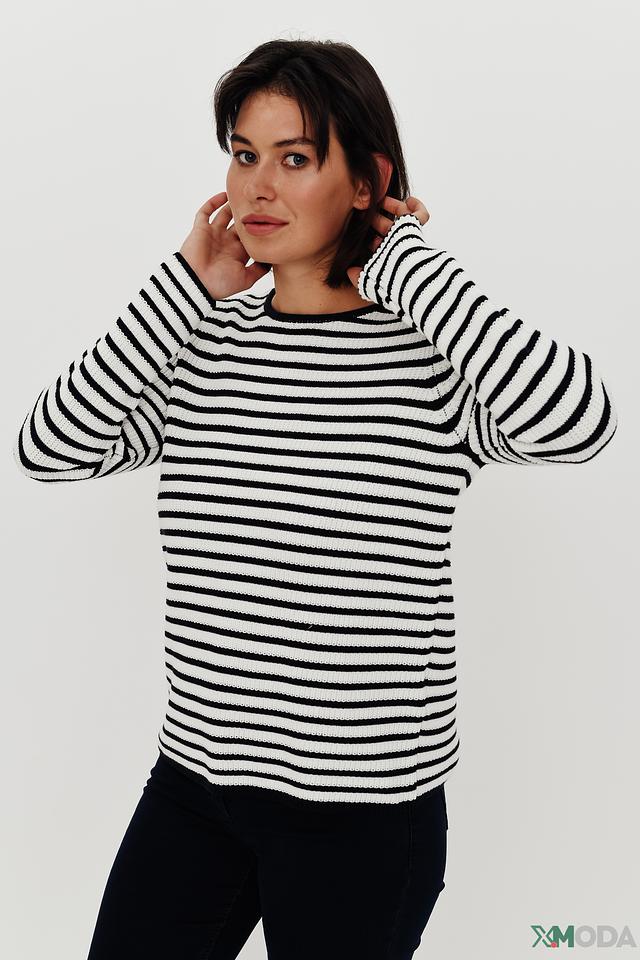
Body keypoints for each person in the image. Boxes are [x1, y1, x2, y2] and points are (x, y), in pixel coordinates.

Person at [12, 38, 617, 960]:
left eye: (294, 159)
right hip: (197, 788)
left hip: (363, 816)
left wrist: (408, 269)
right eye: (243, 154)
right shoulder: (202, 346)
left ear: (368, 181)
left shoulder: (432, 360)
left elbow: (580, 422)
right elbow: (50, 449)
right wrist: (182, 290)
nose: (257, 187)